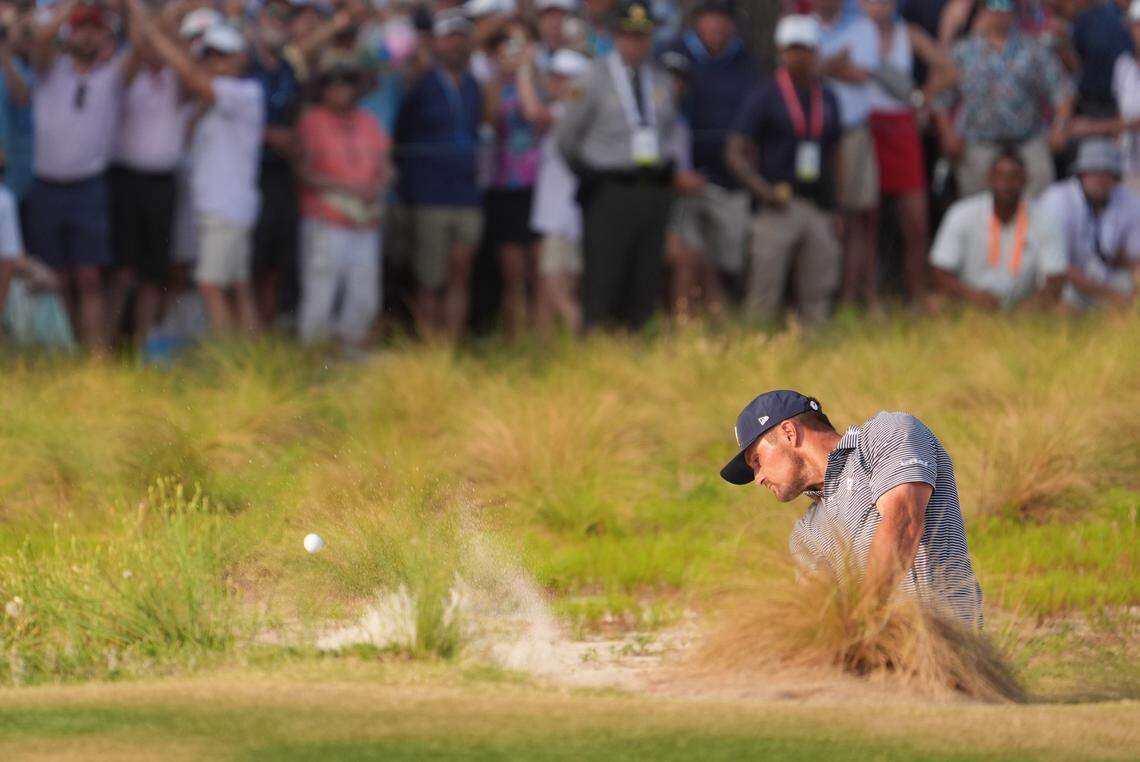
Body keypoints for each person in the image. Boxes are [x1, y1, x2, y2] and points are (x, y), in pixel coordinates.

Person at [719, 389, 984, 629]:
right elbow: (817, 617)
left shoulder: (886, 433)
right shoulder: (805, 535)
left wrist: (861, 622)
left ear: (789, 432)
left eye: (757, 461)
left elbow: (903, 524)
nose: (758, 478)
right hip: (873, 670)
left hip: (950, 653)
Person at [129, 0, 266, 335]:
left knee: (210, 285)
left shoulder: (243, 92)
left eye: (222, 54)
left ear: (240, 58)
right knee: (238, 285)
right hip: (224, 207)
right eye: (210, 54)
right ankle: (250, 361)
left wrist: (152, 33)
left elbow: (190, 76)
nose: (214, 61)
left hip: (226, 207)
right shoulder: (217, 99)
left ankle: (227, 363)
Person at [555, 0, 678, 330]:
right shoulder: (593, 78)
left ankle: (636, 343)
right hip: (609, 188)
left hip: (651, 187)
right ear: (615, 36)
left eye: (642, 36)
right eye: (628, 36)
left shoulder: (662, 79)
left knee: (644, 275)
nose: (635, 44)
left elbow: (668, 132)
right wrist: (588, 173)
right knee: (605, 273)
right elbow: (565, 137)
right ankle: (597, 342)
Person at [725, 15, 842, 325]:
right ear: (781, 51)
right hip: (777, 204)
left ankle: (817, 349)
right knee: (765, 288)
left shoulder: (827, 96)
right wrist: (761, 189)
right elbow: (735, 150)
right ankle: (755, 345)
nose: (800, 56)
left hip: (818, 204)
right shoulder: (765, 94)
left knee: (819, 287)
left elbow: (836, 151)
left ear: (816, 51)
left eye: (805, 49)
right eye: (793, 49)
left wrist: (838, 206)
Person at [28, 0, 128, 352]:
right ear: (71, 31)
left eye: (94, 28)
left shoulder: (112, 76)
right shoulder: (49, 70)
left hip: (88, 186)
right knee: (57, 277)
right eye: (81, 27)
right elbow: (41, 39)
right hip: (46, 185)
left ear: (104, 35)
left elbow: (142, 46)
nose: (87, 35)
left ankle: (96, 355)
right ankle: (68, 350)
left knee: (89, 275)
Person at [661, 0, 758, 308]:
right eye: (709, 18)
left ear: (731, 23)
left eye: (722, 18)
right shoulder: (671, 54)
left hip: (729, 181)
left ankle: (717, 317)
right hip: (676, 183)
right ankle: (683, 320)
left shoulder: (746, 63)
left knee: (729, 258)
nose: (715, 25)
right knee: (689, 252)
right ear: (697, 21)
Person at [394, 10, 482, 340]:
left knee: (461, 274)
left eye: (462, 37)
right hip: (430, 195)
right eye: (450, 38)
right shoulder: (420, 84)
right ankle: (427, 349)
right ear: (437, 42)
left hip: (466, 193)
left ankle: (451, 347)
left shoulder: (474, 85)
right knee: (429, 278)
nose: (456, 45)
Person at [862, 0, 956, 306]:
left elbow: (950, 71)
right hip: (867, 127)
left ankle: (916, 294)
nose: (879, 6)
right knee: (868, 220)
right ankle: (871, 296)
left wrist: (921, 97)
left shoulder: (909, 34)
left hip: (901, 127)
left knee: (915, 221)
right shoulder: (855, 34)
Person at [933, 0, 1074, 198]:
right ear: (983, 12)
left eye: (1006, 9)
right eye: (994, 8)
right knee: (977, 207)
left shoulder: (1033, 50)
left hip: (1027, 140)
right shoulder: (963, 52)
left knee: (1041, 196)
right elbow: (940, 98)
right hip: (979, 142)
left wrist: (1060, 126)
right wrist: (947, 133)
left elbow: (1061, 90)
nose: (1000, 15)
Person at [296, 63, 392, 352]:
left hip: (366, 219)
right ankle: (314, 357)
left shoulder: (369, 121)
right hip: (326, 219)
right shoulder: (312, 120)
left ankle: (352, 359)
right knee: (320, 292)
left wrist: (377, 188)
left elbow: (386, 165)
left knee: (364, 295)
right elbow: (303, 171)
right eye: (333, 85)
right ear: (323, 91)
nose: (341, 91)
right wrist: (347, 190)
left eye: (347, 84)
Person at [105, 22, 189, 349]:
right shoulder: (124, 74)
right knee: (122, 271)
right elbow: (123, 73)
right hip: (126, 180)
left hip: (163, 185)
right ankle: (107, 347)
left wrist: (163, 30)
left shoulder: (177, 78)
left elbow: (185, 68)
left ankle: (141, 348)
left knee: (154, 274)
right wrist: (148, 27)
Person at [929, 149, 1066, 310]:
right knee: (934, 304)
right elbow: (939, 272)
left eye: (1014, 176)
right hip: (970, 301)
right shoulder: (961, 213)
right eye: (1000, 176)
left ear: (1025, 180)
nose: (1006, 183)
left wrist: (1028, 307)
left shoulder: (1045, 218)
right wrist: (973, 297)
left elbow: (1056, 279)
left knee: (1065, 310)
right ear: (989, 179)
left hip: (1024, 306)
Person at [816, 0, 882, 311]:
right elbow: (795, 73)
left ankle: (852, 297)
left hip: (853, 133)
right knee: (824, 216)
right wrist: (836, 63)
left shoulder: (863, 26)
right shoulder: (802, 26)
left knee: (857, 218)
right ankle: (822, 297)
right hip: (813, 138)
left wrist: (819, 66)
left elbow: (862, 74)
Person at [483, 21, 545, 336]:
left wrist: (525, 73)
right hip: (505, 187)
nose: (514, 51)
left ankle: (540, 343)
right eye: (508, 44)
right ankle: (515, 341)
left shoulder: (542, 82)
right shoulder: (493, 84)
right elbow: (491, 121)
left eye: (521, 44)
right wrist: (503, 73)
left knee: (539, 274)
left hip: (539, 188)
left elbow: (535, 115)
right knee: (513, 276)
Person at [249, 0, 306, 329]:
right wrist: (269, 136)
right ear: (258, 20)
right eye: (275, 15)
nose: (281, 22)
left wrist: (293, 141)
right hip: (249, 174)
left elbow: (294, 116)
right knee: (252, 265)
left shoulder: (289, 68)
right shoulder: (244, 64)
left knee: (274, 265)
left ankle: (265, 336)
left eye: (287, 17)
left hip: (281, 174)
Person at [1039, 137, 1140, 308]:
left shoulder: (1129, 201)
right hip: (1062, 277)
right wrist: (1111, 295)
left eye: (1107, 173)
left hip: (1100, 276)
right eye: (1094, 172)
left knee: (1130, 283)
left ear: (1115, 177)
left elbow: (1132, 259)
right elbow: (1057, 265)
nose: (1100, 179)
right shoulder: (1057, 199)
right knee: (1064, 294)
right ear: (1081, 174)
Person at [530, 48, 588, 334]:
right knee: (549, 291)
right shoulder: (567, 109)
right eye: (554, 76)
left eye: (562, 77)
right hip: (559, 217)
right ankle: (547, 358)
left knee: (557, 290)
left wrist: (521, 71)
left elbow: (532, 112)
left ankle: (583, 335)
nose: (555, 82)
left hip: (565, 218)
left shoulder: (569, 111)